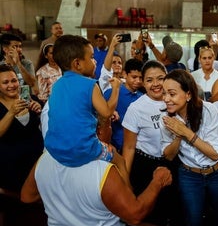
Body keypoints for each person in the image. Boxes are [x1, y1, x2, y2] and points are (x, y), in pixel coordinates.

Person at [21, 149, 172, 226]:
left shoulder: (46, 158)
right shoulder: (101, 170)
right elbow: (134, 213)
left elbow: (27, 197)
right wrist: (158, 181)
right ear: (100, 130)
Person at [160, 69, 218, 226]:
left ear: (188, 94)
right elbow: (169, 155)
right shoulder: (167, 117)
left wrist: (185, 132)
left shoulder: (209, 111)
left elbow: (214, 154)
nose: (166, 99)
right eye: (164, 93)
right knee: (193, 222)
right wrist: (178, 136)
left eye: (172, 94)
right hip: (190, 174)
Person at [44, 34, 124, 169]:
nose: (95, 62)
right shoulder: (90, 85)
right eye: (92, 58)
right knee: (120, 161)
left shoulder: (57, 85)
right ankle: (128, 189)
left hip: (54, 148)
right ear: (77, 63)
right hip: (82, 150)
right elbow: (106, 112)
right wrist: (116, 88)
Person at [122, 60, 177, 226]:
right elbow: (129, 147)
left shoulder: (175, 100)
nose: (156, 84)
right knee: (149, 217)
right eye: (149, 80)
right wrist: (125, 180)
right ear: (142, 82)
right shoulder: (136, 108)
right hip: (144, 165)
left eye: (160, 78)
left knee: (171, 212)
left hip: (172, 161)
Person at [0, 64, 43, 192]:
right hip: (10, 168)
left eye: (14, 80)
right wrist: (11, 113)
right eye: (5, 82)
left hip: (36, 164)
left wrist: (41, 111)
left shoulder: (32, 100)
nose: (11, 85)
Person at [104, 58, 144, 152]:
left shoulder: (142, 97)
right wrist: (110, 111)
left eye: (141, 78)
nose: (138, 81)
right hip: (114, 146)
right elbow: (98, 114)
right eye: (134, 77)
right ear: (125, 74)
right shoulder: (112, 92)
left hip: (136, 147)